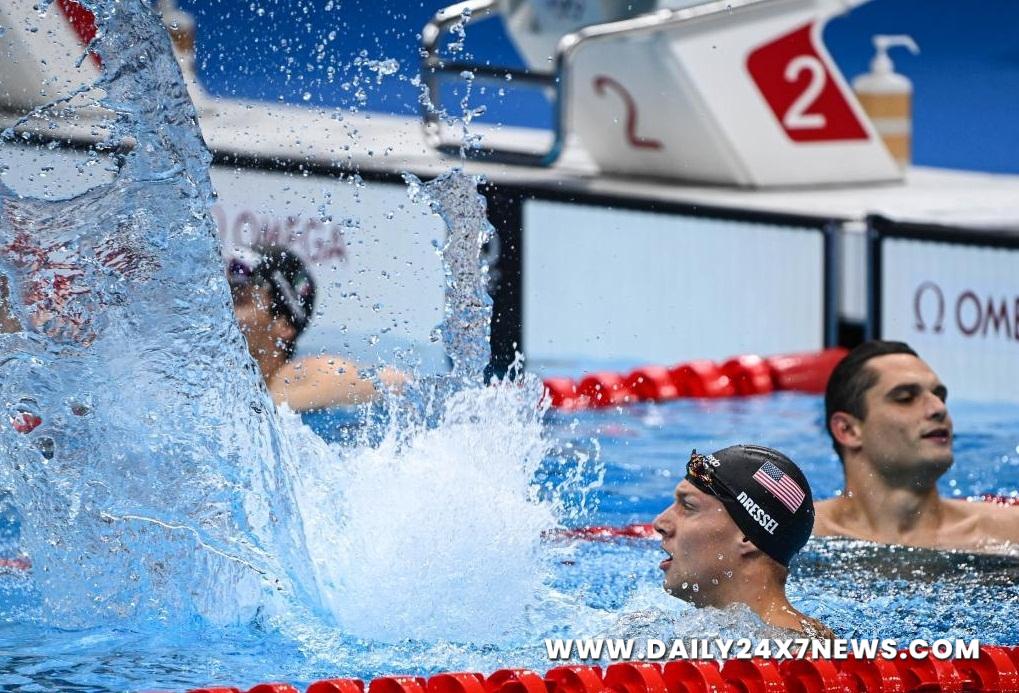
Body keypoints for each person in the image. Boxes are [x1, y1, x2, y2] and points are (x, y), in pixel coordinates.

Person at [816, 340, 1019, 553]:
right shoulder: (800, 537)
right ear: (848, 430)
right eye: (905, 398)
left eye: (939, 396)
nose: (939, 408)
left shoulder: (1008, 533)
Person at [653, 445, 833, 638]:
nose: (659, 523)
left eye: (688, 506)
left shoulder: (800, 651)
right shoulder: (688, 630)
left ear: (748, 536)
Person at [227, 245, 404, 411]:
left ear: (284, 326)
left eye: (239, 301)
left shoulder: (300, 379)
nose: (224, 311)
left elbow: (397, 382)